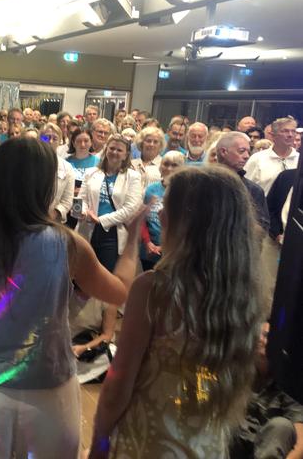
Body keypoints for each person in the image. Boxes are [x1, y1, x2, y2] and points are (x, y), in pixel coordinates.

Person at [0, 137, 142, 459]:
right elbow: (120, 291)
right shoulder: (65, 243)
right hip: (49, 396)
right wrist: (132, 239)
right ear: (44, 187)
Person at [89, 165, 261, 459]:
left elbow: (118, 384)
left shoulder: (156, 288)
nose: (161, 216)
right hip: (206, 443)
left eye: (167, 208)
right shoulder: (243, 293)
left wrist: (99, 444)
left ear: (190, 221)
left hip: (151, 439)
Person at [229, 322, 303, 459]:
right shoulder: (237, 375)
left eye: (267, 335)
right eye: (256, 336)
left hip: (271, 450)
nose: (261, 339)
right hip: (235, 448)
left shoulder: (288, 384)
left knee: (281, 426)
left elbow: (301, 444)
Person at [75, 134, 143, 272]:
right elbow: (81, 199)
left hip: (112, 234)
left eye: (119, 150)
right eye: (111, 148)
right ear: (106, 150)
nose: (114, 152)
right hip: (87, 228)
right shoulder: (91, 172)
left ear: (126, 155)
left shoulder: (133, 177)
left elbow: (130, 208)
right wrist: (83, 211)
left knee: (105, 275)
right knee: (83, 274)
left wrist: (100, 220)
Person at [139, 151, 185, 271]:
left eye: (175, 165)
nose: (169, 168)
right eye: (166, 164)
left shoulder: (187, 192)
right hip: (149, 250)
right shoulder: (150, 189)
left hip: (174, 252)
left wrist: (165, 246)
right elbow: (142, 219)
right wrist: (148, 242)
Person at [216, 131, 270, 233]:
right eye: (241, 151)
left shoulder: (254, 190)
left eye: (248, 152)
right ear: (223, 152)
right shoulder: (201, 183)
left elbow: (262, 228)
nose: (246, 156)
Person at [245, 117, 300, 195]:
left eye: (293, 131)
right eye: (285, 131)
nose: (290, 135)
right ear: (273, 135)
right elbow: (245, 188)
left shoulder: (300, 160)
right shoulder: (257, 159)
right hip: (262, 206)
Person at [39, 123, 76, 224]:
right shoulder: (28, 162)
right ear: (40, 139)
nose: (50, 141)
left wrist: (52, 215)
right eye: (46, 138)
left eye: (54, 138)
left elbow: (67, 201)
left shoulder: (67, 168)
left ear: (60, 141)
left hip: (53, 222)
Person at [130, 126, 165, 191]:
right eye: (148, 141)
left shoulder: (165, 165)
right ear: (141, 143)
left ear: (160, 145)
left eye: (155, 142)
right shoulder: (131, 164)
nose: (151, 144)